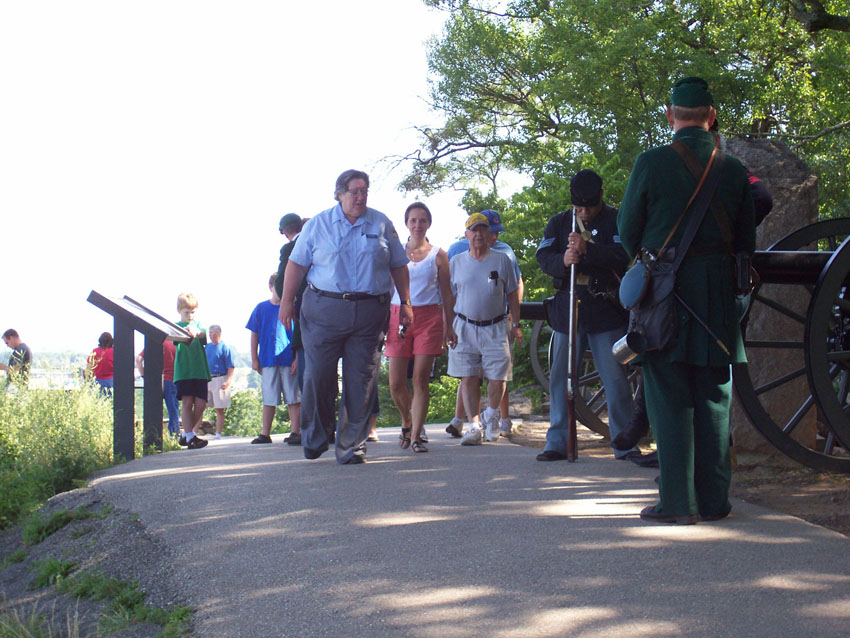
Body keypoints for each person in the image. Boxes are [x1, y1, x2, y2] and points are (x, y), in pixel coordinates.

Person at [618, 76, 755, 524]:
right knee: (714, 398)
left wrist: (656, 264)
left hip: (665, 294)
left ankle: (678, 504)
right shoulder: (733, 169)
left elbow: (628, 230)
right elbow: (746, 241)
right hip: (717, 296)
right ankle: (714, 502)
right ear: (711, 117)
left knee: (668, 397)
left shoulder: (651, 162)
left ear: (669, 115)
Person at [279, 169, 412, 465]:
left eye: (364, 191)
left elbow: (398, 265)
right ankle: (315, 437)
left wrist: (405, 302)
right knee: (317, 376)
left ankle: (352, 447)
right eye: (354, 192)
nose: (360, 197)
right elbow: (296, 264)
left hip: (369, 312)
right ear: (339, 194)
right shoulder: (318, 225)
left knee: (361, 380)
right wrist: (286, 302)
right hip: (323, 310)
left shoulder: (381, 223)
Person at [534, 170, 642, 462]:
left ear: (600, 198)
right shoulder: (559, 223)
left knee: (615, 380)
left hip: (603, 308)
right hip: (568, 307)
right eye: (579, 207)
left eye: (589, 207)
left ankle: (624, 443)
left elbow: (624, 255)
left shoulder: (615, 220)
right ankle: (557, 442)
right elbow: (543, 256)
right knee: (560, 378)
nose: (583, 212)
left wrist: (588, 251)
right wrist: (563, 260)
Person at [444, 209, 524, 438]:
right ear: (466, 234)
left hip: (496, 326)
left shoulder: (502, 259)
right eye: (474, 230)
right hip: (464, 326)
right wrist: (447, 327)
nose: (479, 234)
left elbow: (512, 293)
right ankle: (473, 426)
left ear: (489, 234)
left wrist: (516, 324)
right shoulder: (456, 262)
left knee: (498, 376)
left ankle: (491, 414)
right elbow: (448, 298)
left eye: (483, 229)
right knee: (468, 376)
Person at [385, 202, 452, 453]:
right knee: (395, 383)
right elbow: (386, 289)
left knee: (420, 378)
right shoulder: (396, 253)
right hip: (398, 315)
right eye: (413, 220)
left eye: (422, 220)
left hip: (429, 317)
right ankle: (407, 421)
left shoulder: (439, 255)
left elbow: (447, 294)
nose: (417, 225)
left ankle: (416, 436)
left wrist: (449, 326)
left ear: (429, 224)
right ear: (406, 224)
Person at [247, 273, 302, 445]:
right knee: (269, 398)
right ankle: (265, 433)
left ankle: (295, 432)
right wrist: (254, 358)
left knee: (293, 398)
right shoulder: (261, 308)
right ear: (271, 287)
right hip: (268, 360)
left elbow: (299, 334)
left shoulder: (293, 308)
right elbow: (254, 334)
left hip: (288, 360)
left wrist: (297, 358)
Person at [275, 213, 309, 398]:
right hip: (334, 311)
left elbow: (281, 284)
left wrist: (289, 302)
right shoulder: (319, 240)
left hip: (306, 312)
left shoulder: (290, 248)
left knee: (307, 375)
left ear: (284, 232)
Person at [173, 293, 211, 450]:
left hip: (200, 370)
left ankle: (186, 434)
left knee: (201, 404)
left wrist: (195, 331)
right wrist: (187, 331)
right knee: (187, 403)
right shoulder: (176, 326)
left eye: (192, 312)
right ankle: (190, 437)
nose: (190, 315)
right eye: (186, 312)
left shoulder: (199, 325)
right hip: (184, 370)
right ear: (179, 311)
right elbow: (176, 338)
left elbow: (203, 334)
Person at [136, 340, 181, 437]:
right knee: (173, 411)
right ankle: (174, 436)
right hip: (172, 379)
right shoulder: (175, 345)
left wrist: (144, 376)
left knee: (153, 411)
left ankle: (153, 435)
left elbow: (138, 360)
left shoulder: (154, 343)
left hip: (155, 381)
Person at [205, 325, 235, 440]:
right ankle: (194, 431)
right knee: (201, 405)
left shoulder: (225, 347)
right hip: (207, 378)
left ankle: (218, 434)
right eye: (209, 333)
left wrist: (228, 381)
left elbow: (230, 366)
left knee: (219, 408)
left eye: (212, 332)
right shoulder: (207, 347)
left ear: (219, 333)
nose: (210, 335)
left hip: (220, 378)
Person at [86, 332, 114, 396]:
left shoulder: (94, 351)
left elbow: (88, 369)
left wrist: (87, 381)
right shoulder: (114, 352)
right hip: (111, 381)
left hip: (96, 381)